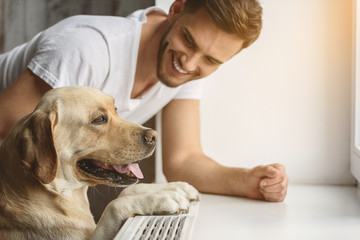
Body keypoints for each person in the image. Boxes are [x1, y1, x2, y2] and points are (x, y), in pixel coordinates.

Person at [0, 0, 288, 202]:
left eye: (211, 60)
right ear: (176, 9)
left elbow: (182, 160)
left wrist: (249, 181)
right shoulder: (88, 50)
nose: (189, 63)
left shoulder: (184, 70)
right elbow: (11, 141)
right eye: (189, 40)